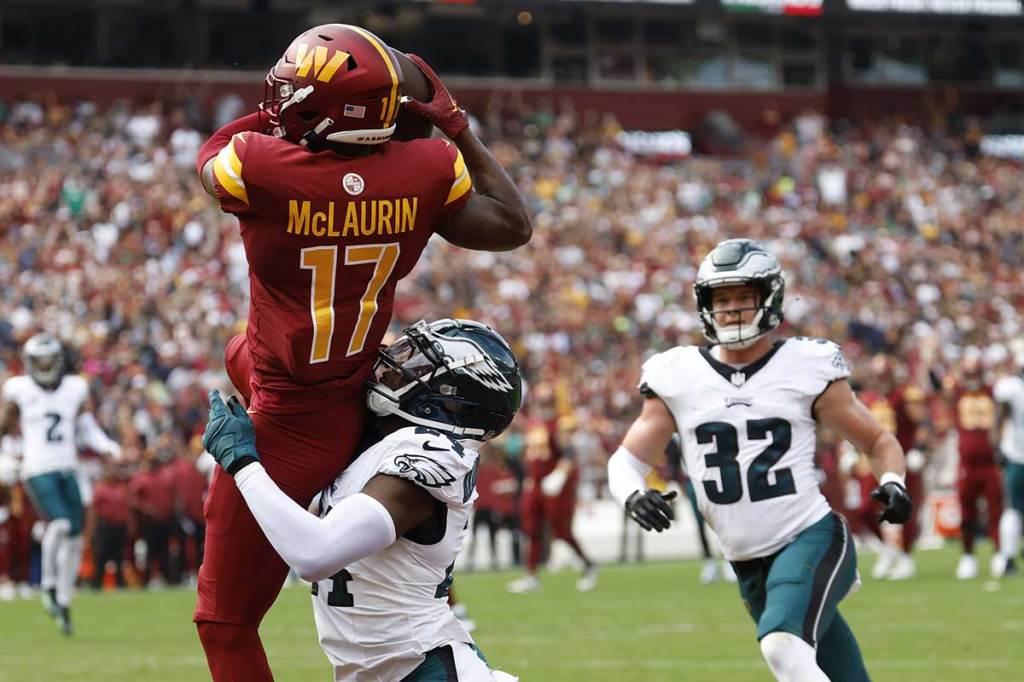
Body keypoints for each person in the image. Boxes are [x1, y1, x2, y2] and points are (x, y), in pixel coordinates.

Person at [193, 24, 532, 679]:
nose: (281, 97)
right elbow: (511, 224)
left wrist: (281, 115)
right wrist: (452, 125)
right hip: (355, 386)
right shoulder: (424, 168)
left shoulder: (262, 167)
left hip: (295, 417)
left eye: (294, 90)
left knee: (223, 624)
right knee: (243, 349)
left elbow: (214, 155)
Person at [607, 239, 912, 682]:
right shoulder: (678, 375)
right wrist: (633, 495)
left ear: (768, 299)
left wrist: (893, 478)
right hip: (746, 561)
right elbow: (627, 461)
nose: (731, 310)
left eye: (743, 298)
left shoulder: (805, 365)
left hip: (810, 536)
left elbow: (877, 439)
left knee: (783, 648)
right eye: (721, 299)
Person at [201, 319, 521, 681]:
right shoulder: (376, 440)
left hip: (422, 667)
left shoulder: (433, 453)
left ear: (451, 401)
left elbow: (315, 555)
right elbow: (241, 351)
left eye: (420, 367)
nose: (395, 367)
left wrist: (244, 465)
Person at [0, 333, 121, 635]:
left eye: (48, 360)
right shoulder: (20, 390)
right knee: (62, 524)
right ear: (28, 363)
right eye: (38, 361)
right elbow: (2, 427)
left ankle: (64, 598)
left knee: (76, 537)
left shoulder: (74, 389)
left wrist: (106, 445)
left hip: (68, 466)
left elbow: (85, 427)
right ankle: (49, 586)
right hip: (37, 467)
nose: (44, 366)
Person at [507, 387, 597, 593]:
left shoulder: (559, 424)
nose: (543, 405)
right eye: (541, 400)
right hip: (535, 484)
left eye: (547, 401)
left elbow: (568, 453)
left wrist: (559, 475)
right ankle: (530, 577)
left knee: (561, 531)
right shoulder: (533, 423)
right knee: (532, 530)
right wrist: (529, 475)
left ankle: (588, 565)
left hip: (554, 486)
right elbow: (529, 454)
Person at [949, 356, 1003, 579]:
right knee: (967, 511)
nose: (972, 378)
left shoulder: (995, 391)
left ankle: (1000, 553)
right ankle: (968, 555)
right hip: (967, 464)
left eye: (975, 373)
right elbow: (936, 387)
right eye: (968, 374)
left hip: (992, 462)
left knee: (995, 510)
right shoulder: (958, 392)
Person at [993, 361, 1024, 577]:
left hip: (1015, 453)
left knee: (1014, 508)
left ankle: (1009, 558)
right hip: (1016, 455)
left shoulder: (1012, 387)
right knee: (1013, 507)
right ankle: (1008, 557)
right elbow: (1000, 417)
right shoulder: (1011, 388)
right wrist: (997, 446)